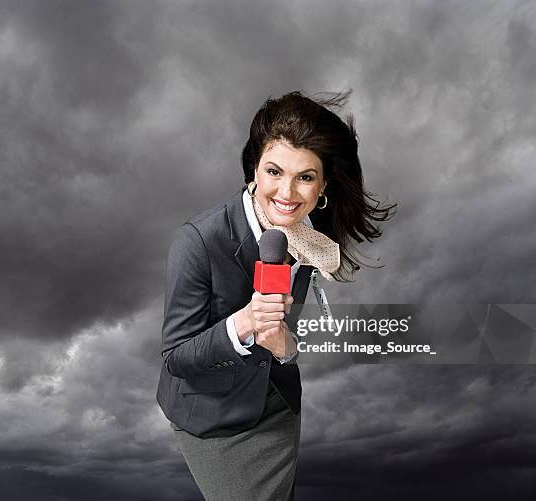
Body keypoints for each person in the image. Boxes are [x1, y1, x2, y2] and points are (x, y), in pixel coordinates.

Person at [156, 90, 395, 500]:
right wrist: (243, 323)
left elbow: (282, 341)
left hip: (277, 406)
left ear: (323, 186)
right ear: (254, 169)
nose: (287, 193)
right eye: (274, 171)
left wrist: (287, 350)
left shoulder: (306, 238)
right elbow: (176, 358)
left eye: (304, 177)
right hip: (213, 416)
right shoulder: (198, 240)